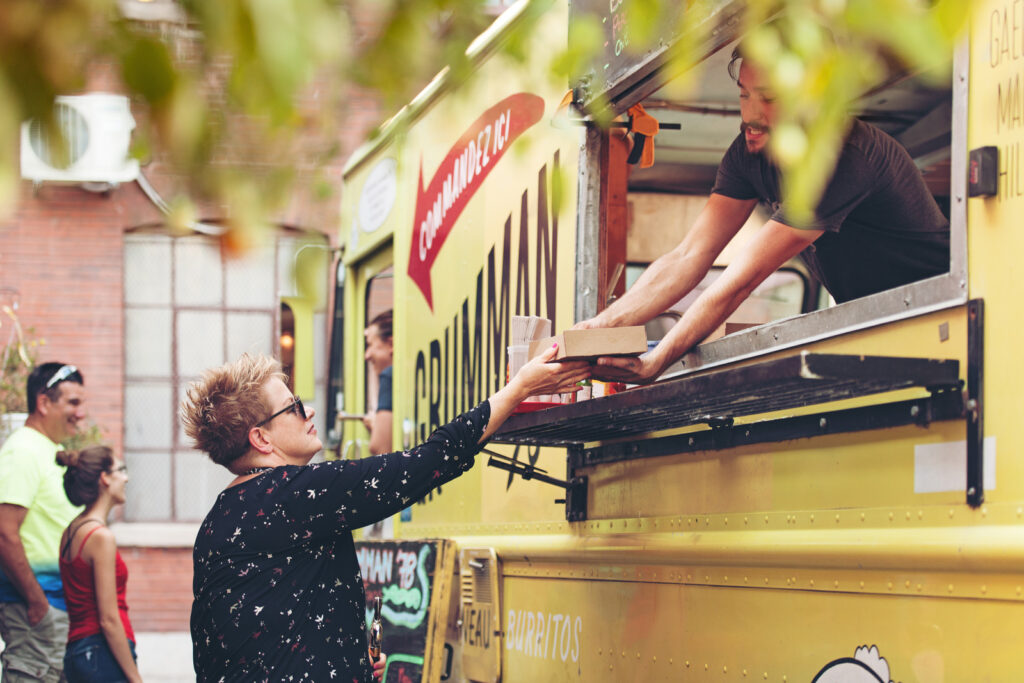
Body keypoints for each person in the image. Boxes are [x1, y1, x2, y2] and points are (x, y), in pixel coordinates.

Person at [180, 348, 588, 682]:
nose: (309, 414)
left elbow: (233, 643)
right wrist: (519, 389)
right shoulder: (294, 494)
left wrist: (347, 658)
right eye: (294, 407)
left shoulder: (219, 518)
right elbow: (428, 461)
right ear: (261, 438)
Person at [578, 43, 950, 384]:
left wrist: (656, 362)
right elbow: (688, 255)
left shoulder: (839, 155)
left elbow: (742, 278)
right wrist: (599, 328)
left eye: (769, 98)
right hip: (877, 321)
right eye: (744, 94)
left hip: (941, 312)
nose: (750, 115)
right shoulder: (747, 152)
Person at [0, 363, 86, 682]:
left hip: (59, 609)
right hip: (37, 610)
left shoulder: (49, 450)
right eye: (73, 402)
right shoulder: (22, 450)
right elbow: (4, 533)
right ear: (44, 402)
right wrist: (37, 602)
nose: (81, 413)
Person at [57, 446, 141, 683]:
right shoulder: (100, 537)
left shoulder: (71, 531)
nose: (126, 478)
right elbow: (108, 618)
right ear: (104, 478)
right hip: (101, 653)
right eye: (120, 470)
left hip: (77, 653)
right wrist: (135, 678)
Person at [362, 310, 393, 456]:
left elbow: (380, 449)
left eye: (370, 345)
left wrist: (376, 426)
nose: (366, 355)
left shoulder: (389, 376)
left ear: (391, 344)